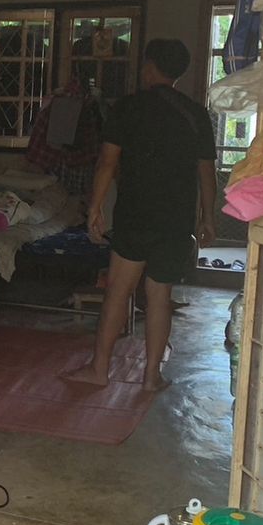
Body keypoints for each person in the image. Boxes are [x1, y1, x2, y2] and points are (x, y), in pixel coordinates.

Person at [64, 38, 217, 391]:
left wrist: (94, 207)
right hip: (176, 220)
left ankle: (99, 370)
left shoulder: (127, 108)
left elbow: (107, 163)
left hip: (135, 215)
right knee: (159, 297)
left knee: (118, 291)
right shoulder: (195, 114)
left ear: (149, 68)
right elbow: (206, 172)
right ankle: (151, 377)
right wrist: (208, 217)